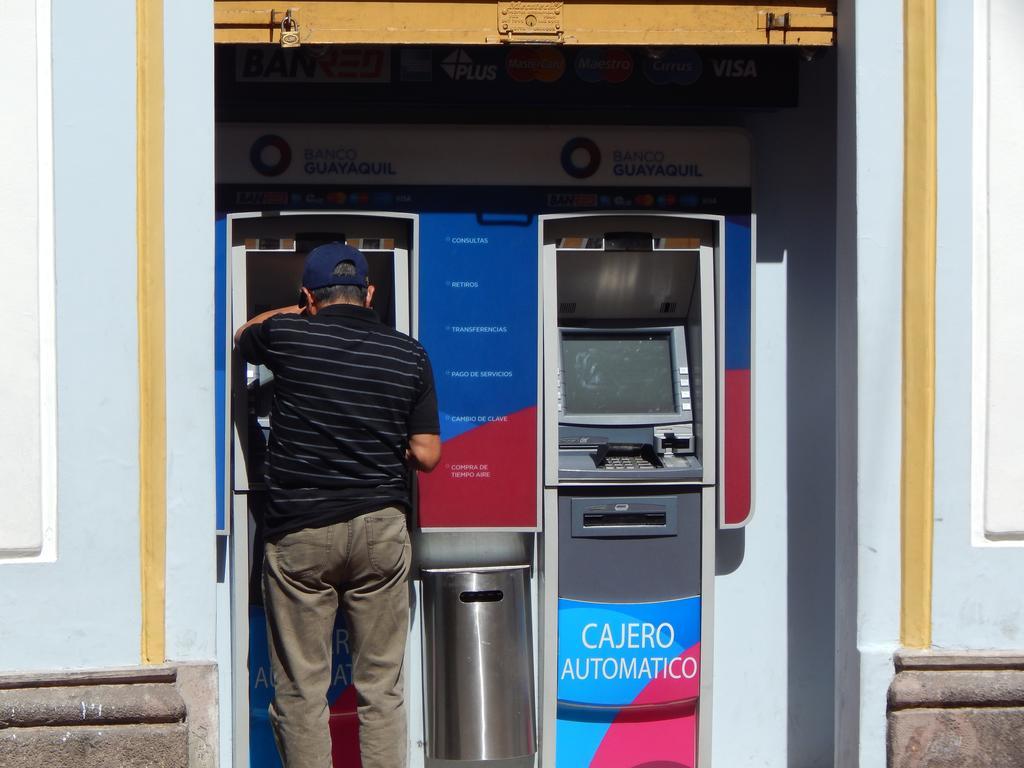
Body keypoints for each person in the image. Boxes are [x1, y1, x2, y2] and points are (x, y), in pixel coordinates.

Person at [234, 242, 441, 768]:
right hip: (379, 530)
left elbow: (242, 335)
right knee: (381, 687)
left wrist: (296, 310)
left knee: (303, 690)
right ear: (371, 293)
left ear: (308, 296)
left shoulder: (286, 334)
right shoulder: (409, 352)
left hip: (302, 531)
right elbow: (427, 454)